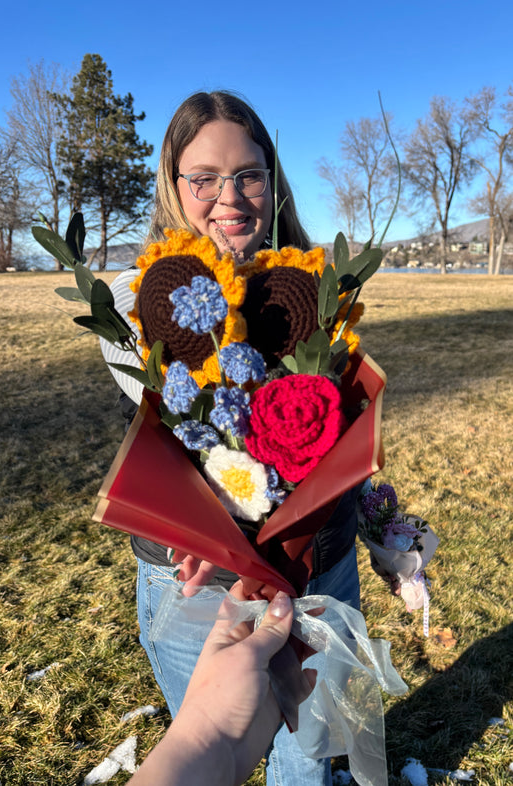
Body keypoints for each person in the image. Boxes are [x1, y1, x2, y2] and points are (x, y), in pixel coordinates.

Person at [103, 90, 365, 786]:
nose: (231, 196)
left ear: (272, 181)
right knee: (210, 751)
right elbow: (188, 437)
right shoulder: (141, 301)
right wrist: (214, 527)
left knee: (307, 757)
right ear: (174, 183)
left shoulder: (315, 285)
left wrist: (377, 513)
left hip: (319, 569)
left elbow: (339, 425)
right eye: (204, 178)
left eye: (249, 174)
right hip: (196, 584)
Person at [126, 591, 295, 786]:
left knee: (300, 752)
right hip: (202, 587)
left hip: (325, 570)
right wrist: (211, 735)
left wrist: (210, 738)